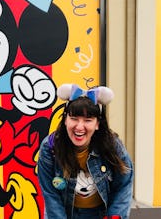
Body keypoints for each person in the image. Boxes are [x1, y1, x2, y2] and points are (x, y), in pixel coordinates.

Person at [37, 84, 133, 219]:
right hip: (64, 212)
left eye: (88, 120)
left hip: (101, 213)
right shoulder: (50, 147)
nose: (79, 127)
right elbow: (50, 194)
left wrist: (115, 216)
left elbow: (123, 184)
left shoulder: (112, 145)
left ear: (97, 124)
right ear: (65, 120)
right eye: (74, 119)